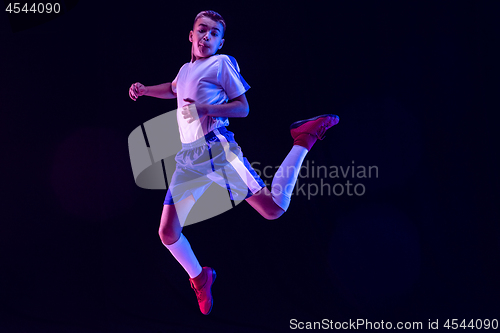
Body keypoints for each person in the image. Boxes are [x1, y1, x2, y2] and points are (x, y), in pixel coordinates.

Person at [128, 10, 339, 315]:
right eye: (202, 30)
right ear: (191, 35)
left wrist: (204, 107)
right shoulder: (185, 70)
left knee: (272, 209)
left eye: (214, 34)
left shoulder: (222, 63)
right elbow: (174, 88)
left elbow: (243, 108)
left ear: (221, 42)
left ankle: (303, 139)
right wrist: (146, 90)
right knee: (168, 233)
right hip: (189, 158)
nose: (207, 36)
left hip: (216, 151)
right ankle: (200, 277)